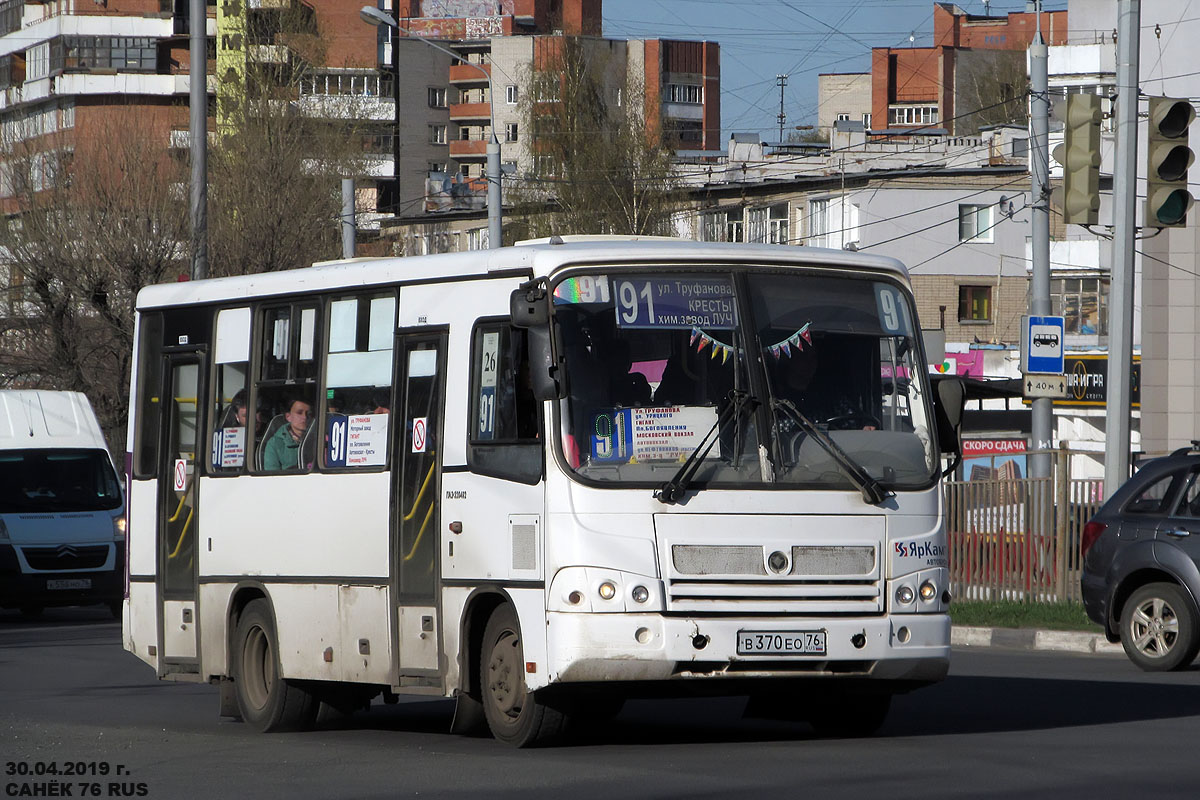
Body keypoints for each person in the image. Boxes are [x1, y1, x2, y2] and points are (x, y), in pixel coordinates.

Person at [262, 396, 313, 471]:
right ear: (288, 416)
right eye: (299, 413)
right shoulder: (274, 444)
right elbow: (272, 478)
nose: (304, 417)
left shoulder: (320, 439)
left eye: (308, 413)